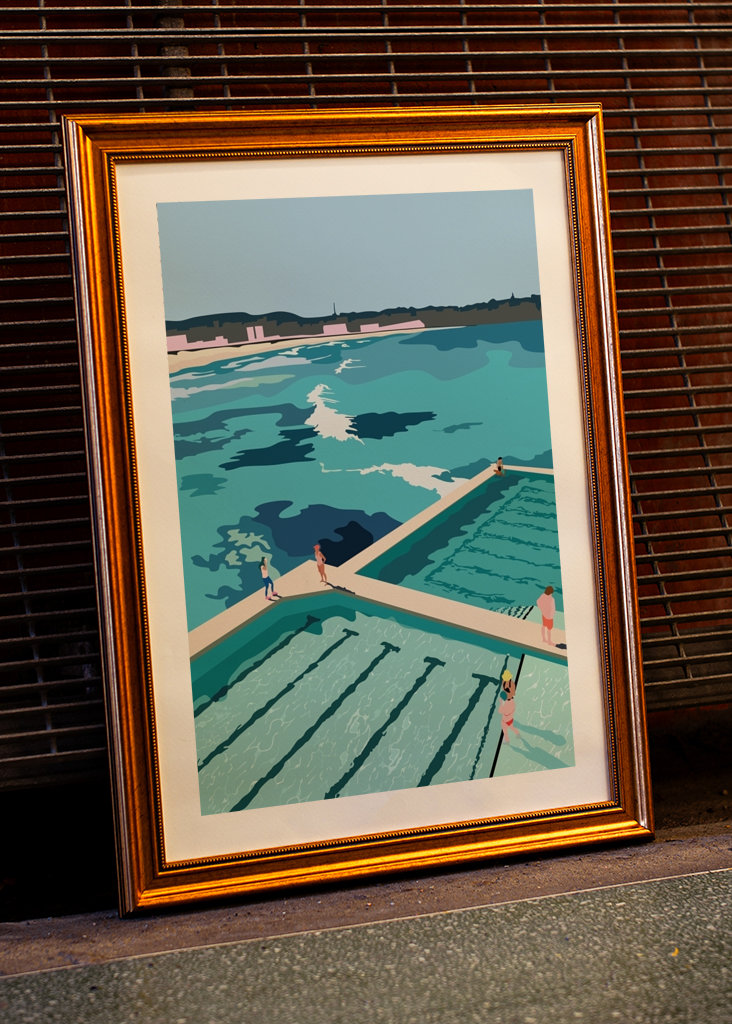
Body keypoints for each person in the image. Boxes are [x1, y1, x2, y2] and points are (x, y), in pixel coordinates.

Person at [500, 669, 520, 744]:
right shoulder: (507, 683)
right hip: (510, 718)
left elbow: (502, 711)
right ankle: (517, 733)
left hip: (506, 719)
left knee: (505, 727)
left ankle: (507, 739)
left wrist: (501, 703)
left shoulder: (510, 685)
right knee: (511, 727)